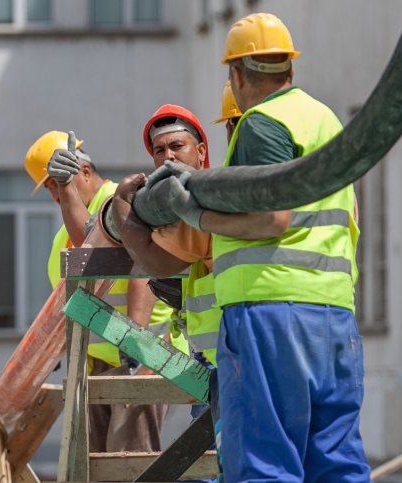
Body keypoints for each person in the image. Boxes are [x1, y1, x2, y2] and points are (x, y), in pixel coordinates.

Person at [160, 13, 370, 482]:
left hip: (271, 313)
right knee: (336, 463)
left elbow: (271, 219)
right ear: (289, 69)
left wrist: (198, 216)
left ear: (235, 76)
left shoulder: (261, 124)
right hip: (334, 314)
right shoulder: (325, 120)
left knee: (265, 463)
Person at [24, 131, 166, 452]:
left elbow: (129, 263)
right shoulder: (65, 230)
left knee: (128, 463)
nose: (57, 194)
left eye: (61, 182)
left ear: (85, 171)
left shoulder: (121, 200)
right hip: (95, 361)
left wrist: (137, 346)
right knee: (98, 466)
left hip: (140, 352)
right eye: (50, 186)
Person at [111, 104, 219, 367]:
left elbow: (154, 263)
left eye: (177, 146)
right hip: (216, 352)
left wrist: (122, 204)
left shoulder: (198, 201)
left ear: (201, 151)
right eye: (159, 150)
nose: (168, 156)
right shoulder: (203, 197)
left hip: (228, 352)